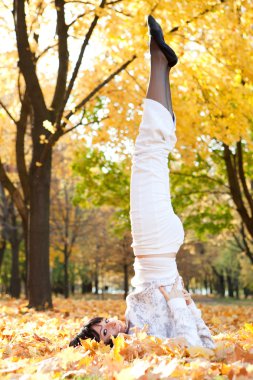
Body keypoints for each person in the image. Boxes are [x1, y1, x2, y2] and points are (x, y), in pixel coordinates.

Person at [69, 15, 215, 350]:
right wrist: (180, 299)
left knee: (153, 152)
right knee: (147, 153)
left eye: (101, 323)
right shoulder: (141, 338)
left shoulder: (133, 322)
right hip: (155, 248)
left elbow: (202, 337)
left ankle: (161, 66)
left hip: (154, 246)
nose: (110, 324)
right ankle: (158, 60)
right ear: (110, 346)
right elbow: (200, 344)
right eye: (106, 332)